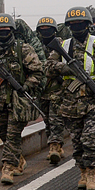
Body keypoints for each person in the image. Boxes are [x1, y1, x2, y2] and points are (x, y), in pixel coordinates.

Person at [45, 7, 95, 190]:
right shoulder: (63, 45)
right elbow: (48, 67)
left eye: (80, 24)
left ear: (87, 25)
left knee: (91, 138)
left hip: (94, 101)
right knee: (77, 142)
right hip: (70, 102)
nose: (77, 27)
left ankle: (93, 174)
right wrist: (65, 68)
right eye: (73, 24)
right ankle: (82, 172)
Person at [0, 13, 43, 184]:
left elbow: (38, 71)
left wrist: (26, 85)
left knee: (13, 134)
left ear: (11, 30)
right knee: (3, 132)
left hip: (18, 100)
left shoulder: (23, 49)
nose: (2, 33)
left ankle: (7, 168)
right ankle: (18, 159)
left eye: (5, 30)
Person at [35, 17, 67, 165]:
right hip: (42, 90)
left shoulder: (61, 45)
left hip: (57, 89)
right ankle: (54, 146)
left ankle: (55, 146)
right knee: (47, 119)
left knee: (56, 119)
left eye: (48, 29)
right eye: (42, 29)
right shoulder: (36, 46)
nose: (45, 31)